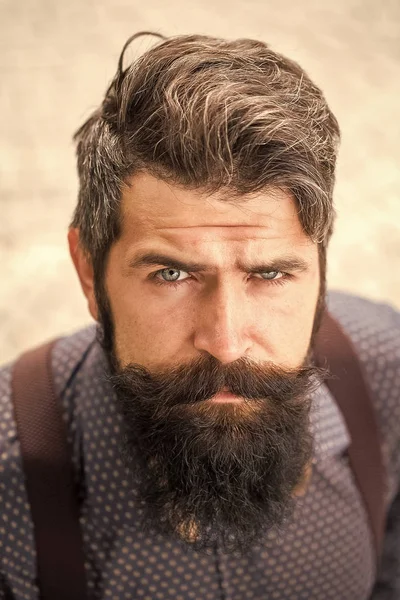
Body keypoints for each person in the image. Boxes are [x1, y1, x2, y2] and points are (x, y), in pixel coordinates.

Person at [1, 32, 399, 600]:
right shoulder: (10, 482)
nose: (227, 341)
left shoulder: (387, 376)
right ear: (89, 272)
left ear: (321, 269)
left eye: (270, 275)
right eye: (172, 275)